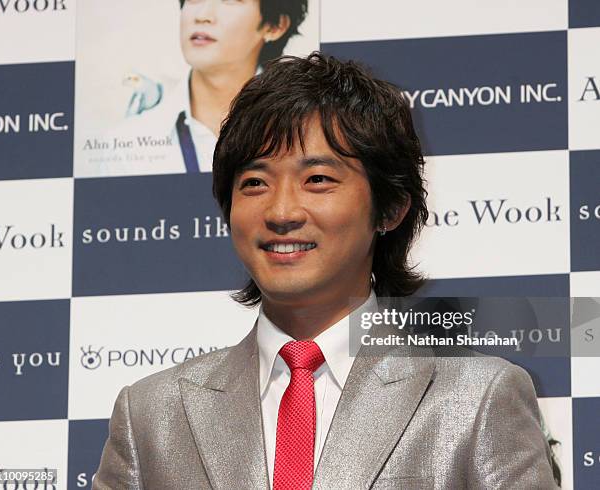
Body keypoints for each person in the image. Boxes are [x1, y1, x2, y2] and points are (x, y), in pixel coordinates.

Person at [93, 53, 558, 489]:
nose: (281, 210)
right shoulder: (151, 414)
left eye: (317, 179)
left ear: (390, 208)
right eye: (254, 182)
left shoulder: (479, 398)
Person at [85, 0, 308, 176]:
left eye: (229, 1)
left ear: (275, 25)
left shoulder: (305, 130)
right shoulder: (126, 144)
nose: (202, 15)